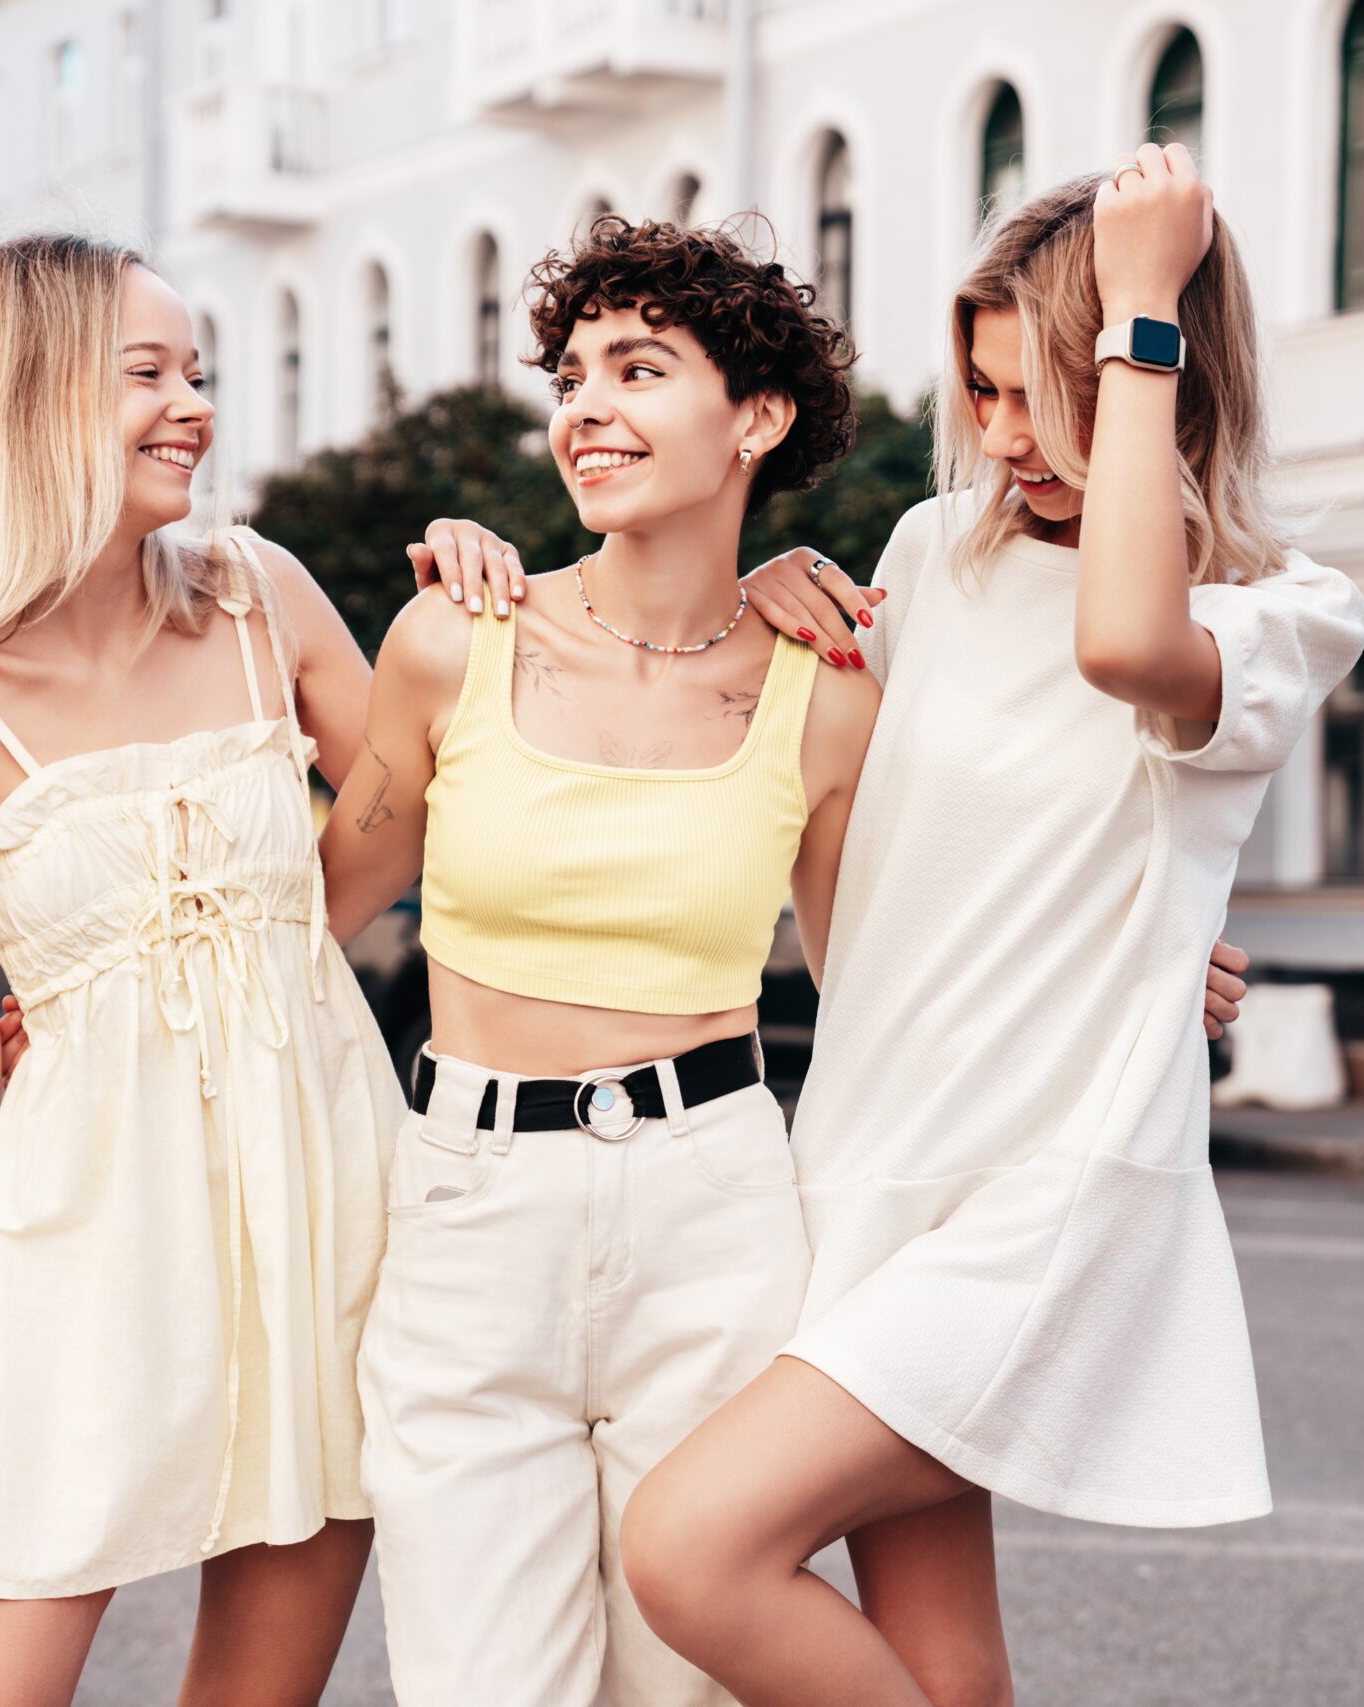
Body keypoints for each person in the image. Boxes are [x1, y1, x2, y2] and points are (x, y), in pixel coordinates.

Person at [596, 144, 1364, 1707]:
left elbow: (1127, 645)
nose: (1007, 438)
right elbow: (869, 876)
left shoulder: (1281, 615)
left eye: (1044, 394)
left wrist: (1140, 301)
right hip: (876, 1158)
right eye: (987, 394)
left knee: (689, 1550)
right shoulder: (930, 560)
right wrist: (780, 609)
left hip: (1043, 1188)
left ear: (1167, 375)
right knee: (948, 1671)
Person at [0, 233, 430, 1707]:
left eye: (199, 372)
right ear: (26, 398)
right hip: (82, 1216)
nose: (194, 407)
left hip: (326, 1192)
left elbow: (412, 810)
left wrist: (459, 612)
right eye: (146, 374)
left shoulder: (258, 593)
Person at [309, 213, 879, 1707]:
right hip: (469, 1207)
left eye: (639, 369)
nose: (586, 407)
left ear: (754, 418)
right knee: (479, 1680)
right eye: (572, 375)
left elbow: (893, 971)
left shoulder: (825, 694)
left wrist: (1152, 959)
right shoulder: (452, 642)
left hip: (717, 1204)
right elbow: (313, 900)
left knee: (676, 1679)